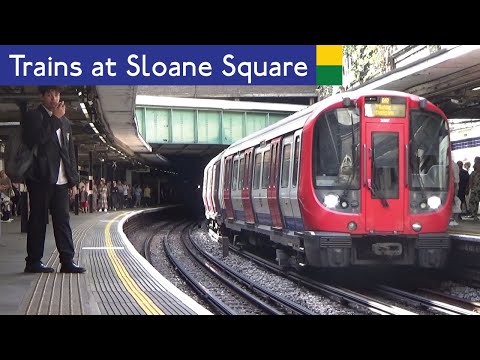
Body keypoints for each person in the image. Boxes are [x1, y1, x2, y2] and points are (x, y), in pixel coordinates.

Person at [22, 86, 86, 273]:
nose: (53, 98)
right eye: (49, 94)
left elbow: (69, 153)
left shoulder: (65, 122)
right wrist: (54, 119)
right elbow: (36, 140)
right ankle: (33, 261)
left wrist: (73, 180)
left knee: (63, 220)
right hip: (40, 178)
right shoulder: (34, 116)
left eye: (56, 94)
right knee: (38, 220)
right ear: (42, 96)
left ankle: (67, 261)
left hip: (61, 179)